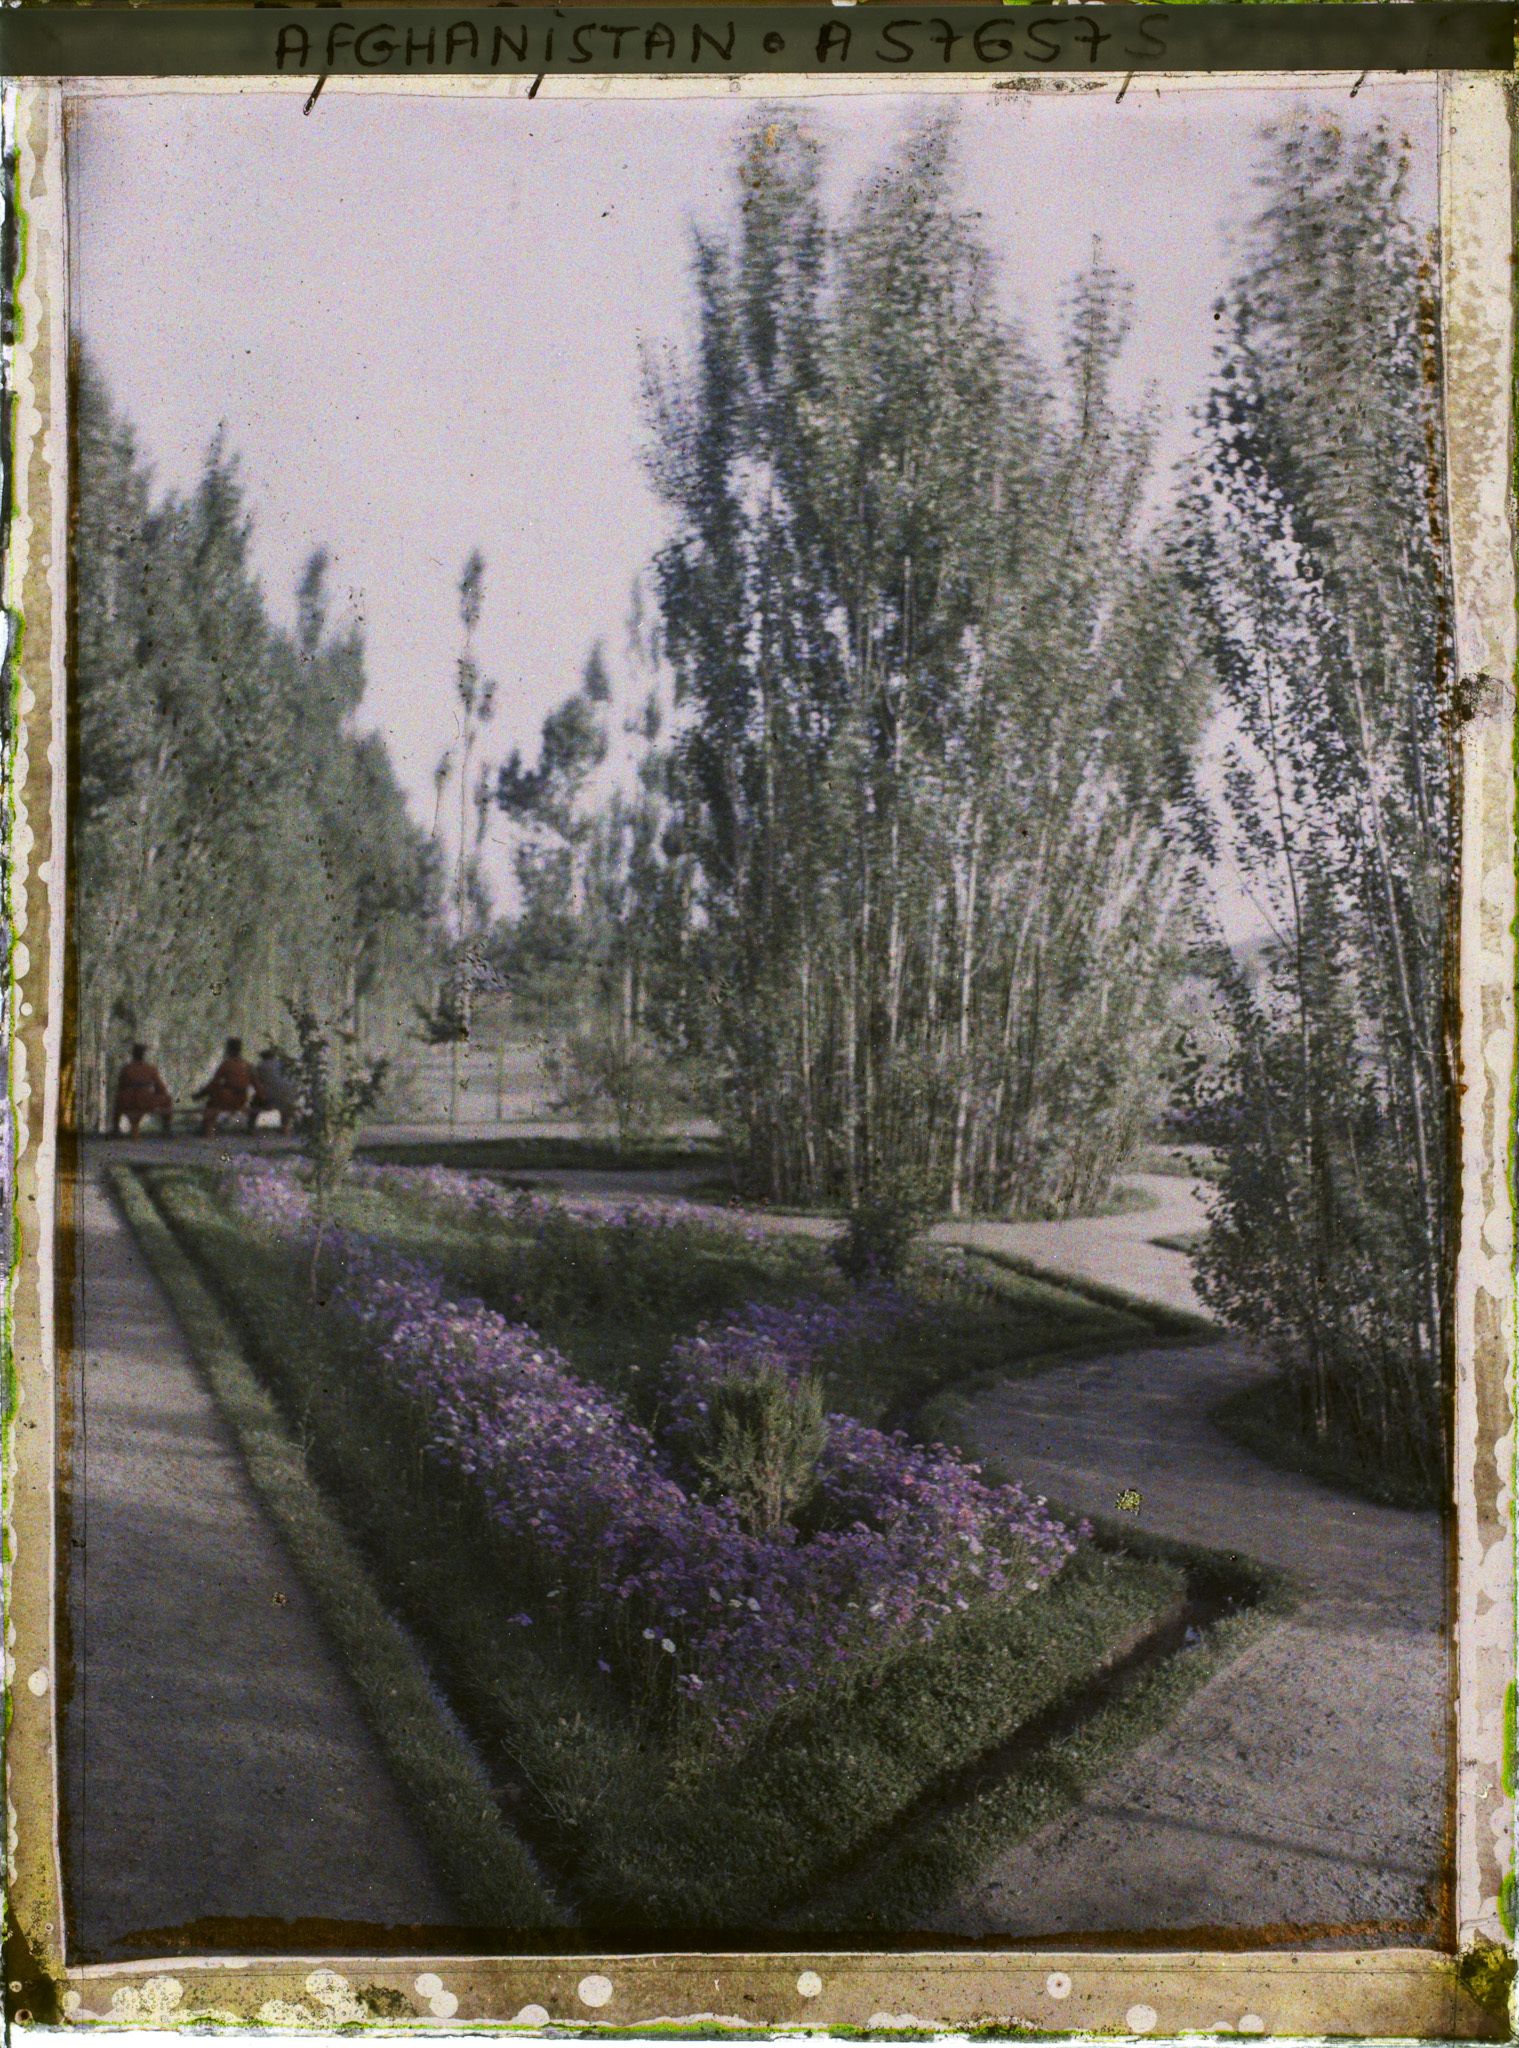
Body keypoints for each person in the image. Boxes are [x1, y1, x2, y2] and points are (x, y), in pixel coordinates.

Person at [192, 1037, 256, 1137]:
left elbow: (213, 1084)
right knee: (217, 1095)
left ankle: (208, 1132)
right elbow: (256, 1085)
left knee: (211, 1103)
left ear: (228, 1049)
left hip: (228, 1098)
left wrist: (199, 1095)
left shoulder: (226, 1065)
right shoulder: (248, 1065)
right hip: (242, 1099)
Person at [111, 1044, 173, 1137]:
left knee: (118, 1098)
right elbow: (161, 1089)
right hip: (145, 1101)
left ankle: (115, 1128)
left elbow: (121, 1087)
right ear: (143, 1055)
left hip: (128, 1102)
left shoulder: (126, 1069)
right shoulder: (150, 1069)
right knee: (167, 1099)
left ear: (133, 1055)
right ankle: (166, 1128)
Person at [247, 1046, 298, 1134]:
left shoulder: (261, 1065)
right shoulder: (283, 1064)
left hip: (271, 1098)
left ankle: (251, 1127)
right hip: (289, 1096)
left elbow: (255, 1082)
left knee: (255, 1101)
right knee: (285, 1101)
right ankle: (285, 1127)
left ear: (263, 1057)